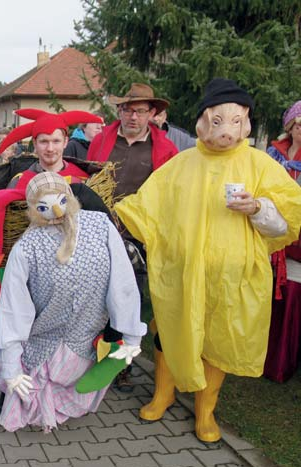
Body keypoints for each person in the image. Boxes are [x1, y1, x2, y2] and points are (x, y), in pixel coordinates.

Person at [115, 78, 301, 442]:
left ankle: (206, 412)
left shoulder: (261, 165)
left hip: (232, 276)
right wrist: (112, 213)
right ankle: (163, 394)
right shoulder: (181, 164)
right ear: (203, 122)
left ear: (245, 123)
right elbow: (146, 207)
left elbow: (286, 222)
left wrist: (258, 207)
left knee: (217, 339)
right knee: (171, 331)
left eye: (234, 122)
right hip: (181, 272)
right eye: (217, 121)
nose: (226, 131)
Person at [0, 172, 145, 431]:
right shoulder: (27, 246)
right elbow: (13, 308)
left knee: (78, 385)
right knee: (29, 391)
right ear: (33, 210)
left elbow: (123, 283)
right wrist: (10, 367)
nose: (55, 210)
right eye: (44, 206)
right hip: (44, 340)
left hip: (85, 337)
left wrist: (131, 335)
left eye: (61, 200)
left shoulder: (100, 225)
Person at [0, 109, 107, 327]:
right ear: (34, 143)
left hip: (73, 274)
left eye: (56, 141)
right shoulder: (20, 180)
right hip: (31, 275)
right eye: (44, 141)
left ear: (66, 141)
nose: (50, 148)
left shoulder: (83, 178)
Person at [86, 83, 179, 391]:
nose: (133, 116)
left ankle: (122, 365)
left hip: (138, 236)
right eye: (128, 109)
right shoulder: (101, 141)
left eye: (141, 110)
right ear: (120, 111)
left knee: (129, 300)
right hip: (99, 229)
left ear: (153, 113)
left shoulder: (165, 149)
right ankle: (93, 356)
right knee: (96, 296)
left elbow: (170, 196)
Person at [264, 100, 301, 382]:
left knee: (291, 296)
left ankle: (281, 362)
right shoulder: (274, 154)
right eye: (297, 124)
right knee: (267, 293)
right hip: (273, 229)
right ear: (290, 126)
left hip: (298, 236)